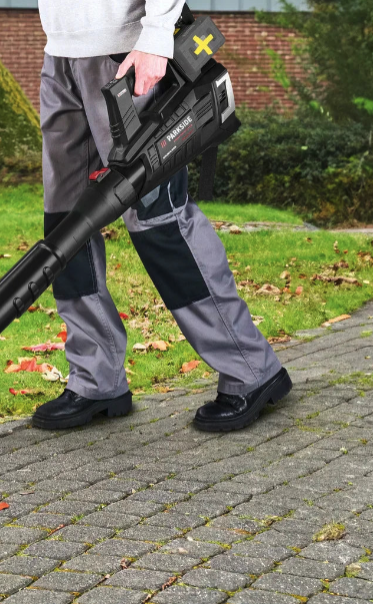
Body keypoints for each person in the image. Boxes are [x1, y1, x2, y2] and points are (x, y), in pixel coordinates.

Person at [31, 0, 292, 432]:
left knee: (158, 220)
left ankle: (250, 367)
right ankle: (97, 379)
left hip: (127, 53)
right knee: (65, 224)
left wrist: (155, 34)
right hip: (60, 53)